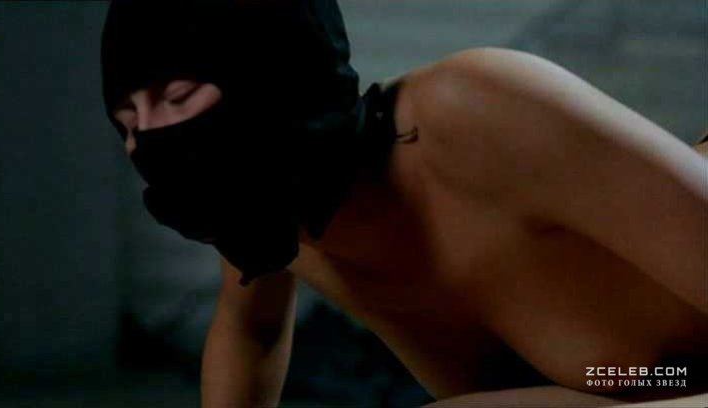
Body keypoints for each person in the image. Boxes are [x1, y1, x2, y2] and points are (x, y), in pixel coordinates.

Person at [100, 1, 708, 407]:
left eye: (177, 96)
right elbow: (250, 329)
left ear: (275, 68)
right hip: (646, 382)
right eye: (126, 123)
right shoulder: (272, 223)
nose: (147, 142)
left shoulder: (472, 111)